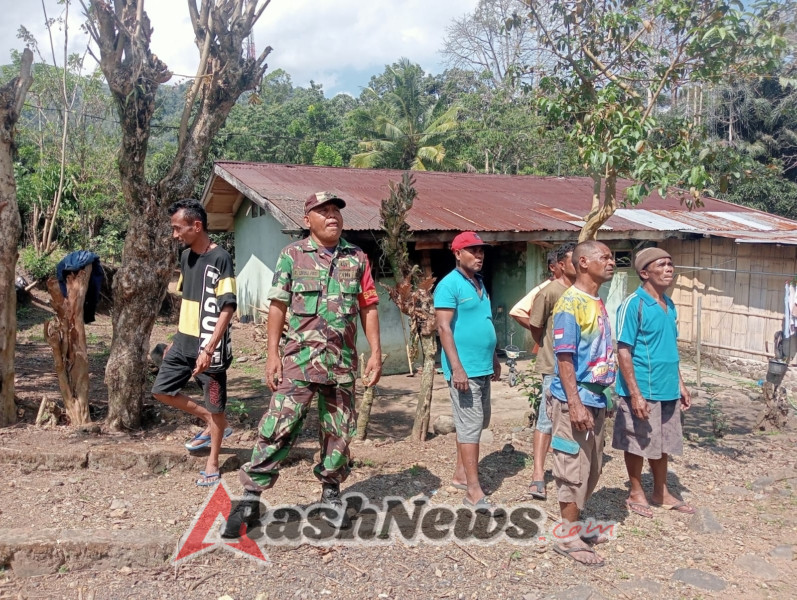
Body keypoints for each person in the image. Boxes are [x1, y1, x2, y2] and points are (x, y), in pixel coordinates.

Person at [222, 191, 382, 538]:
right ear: (307, 219)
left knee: (339, 430)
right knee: (279, 423)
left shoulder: (357, 258)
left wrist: (377, 353)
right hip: (299, 360)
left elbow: (369, 306)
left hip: (341, 361)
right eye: (322, 211)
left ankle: (331, 493)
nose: (332, 217)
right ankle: (250, 498)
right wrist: (273, 353)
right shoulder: (292, 256)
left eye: (336, 211)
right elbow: (278, 306)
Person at [152, 198, 237, 487]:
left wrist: (209, 348)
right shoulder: (186, 257)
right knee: (161, 390)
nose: (175, 234)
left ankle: (213, 461)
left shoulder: (221, 258)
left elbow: (227, 306)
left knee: (216, 405)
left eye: (178, 228)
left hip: (209, 350)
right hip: (183, 344)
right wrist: (176, 342)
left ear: (196, 225)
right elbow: (186, 301)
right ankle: (214, 424)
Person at [549, 240, 616, 567]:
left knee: (592, 469)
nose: (612, 262)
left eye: (612, 257)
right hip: (574, 400)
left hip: (596, 398)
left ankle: (576, 527)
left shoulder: (595, 301)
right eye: (604, 257)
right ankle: (566, 536)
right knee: (571, 470)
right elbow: (564, 359)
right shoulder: (570, 304)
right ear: (584, 262)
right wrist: (575, 403)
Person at [614, 247, 694, 518]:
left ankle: (661, 491)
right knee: (637, 442)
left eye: (671, 263)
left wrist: (680, 384)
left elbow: (670, 346)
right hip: (642, 389)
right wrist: (635, 394)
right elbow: (623, 349)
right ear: (645, 272)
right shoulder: (633, 304)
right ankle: (636, 491)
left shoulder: (668, 304)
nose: (669, 268)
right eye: (662, 264)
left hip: (667, 388)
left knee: (663, 443)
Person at [434, 231, 501, 508]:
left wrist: (494, 356)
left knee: (478, 422)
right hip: (465, 370)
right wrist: (456, 367)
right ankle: (473, 492)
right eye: (472, 250)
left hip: (483, 366)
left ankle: (461, 475)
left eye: (481, 251)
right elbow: (443, 327)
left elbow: (483, 321)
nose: (479, 255)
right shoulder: (449, 285)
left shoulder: (479, 283)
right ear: (457, 253)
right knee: (471, 426)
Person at [515, 243, 576, 501]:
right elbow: (536, 327)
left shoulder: (583, 292)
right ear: (560, 264)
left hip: (576, 368)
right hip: (553, 367)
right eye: (575, 260)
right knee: (546, 419)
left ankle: (568, 471)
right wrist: (547, 347)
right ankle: (538, 476)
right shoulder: (550, 292)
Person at [509, 250, 559, 330]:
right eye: (562, 263)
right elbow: (517, 311)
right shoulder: (543, 288)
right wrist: (540, 332)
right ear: (552, 267)